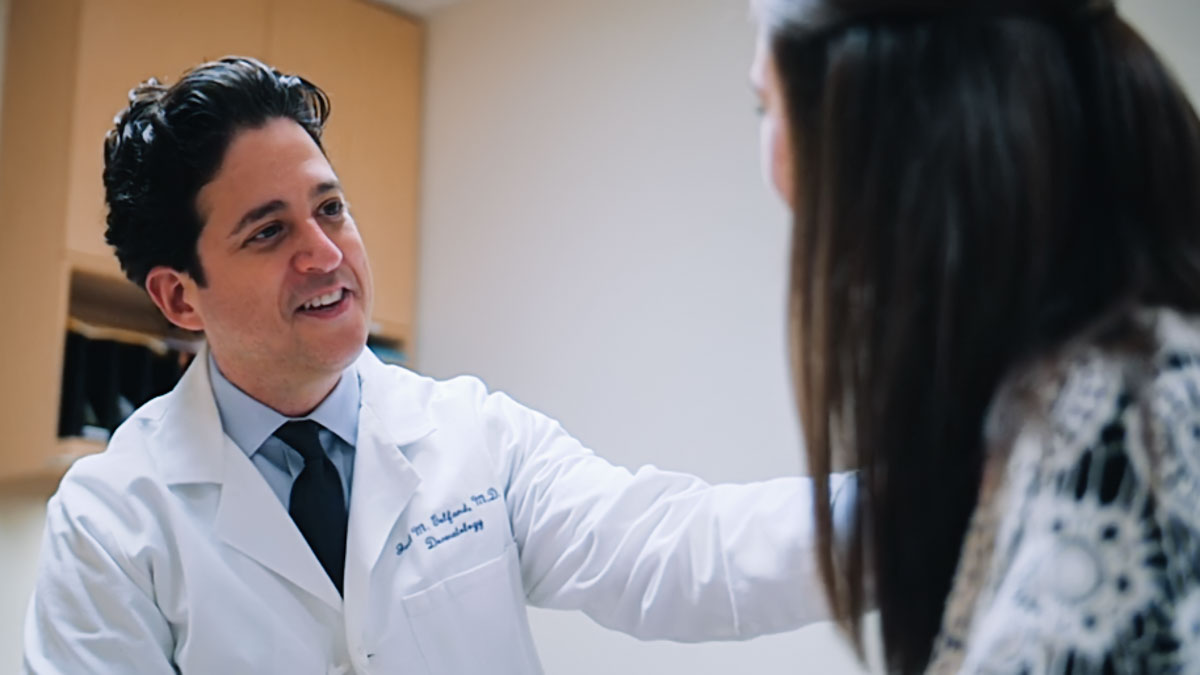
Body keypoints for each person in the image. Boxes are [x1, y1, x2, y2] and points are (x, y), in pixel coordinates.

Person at [22, 57, 847, 674]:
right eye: (268, 232)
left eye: (331, 208)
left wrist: (918, 511)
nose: (325, 253)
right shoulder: (112, 524)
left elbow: (675, 550)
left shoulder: (473, 434)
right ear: (179, 297)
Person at [751, 0, 1200, 672]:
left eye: (765, 107)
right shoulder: (1070, 402)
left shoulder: (1117, 430)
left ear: (884, 129)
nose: (774, 170)